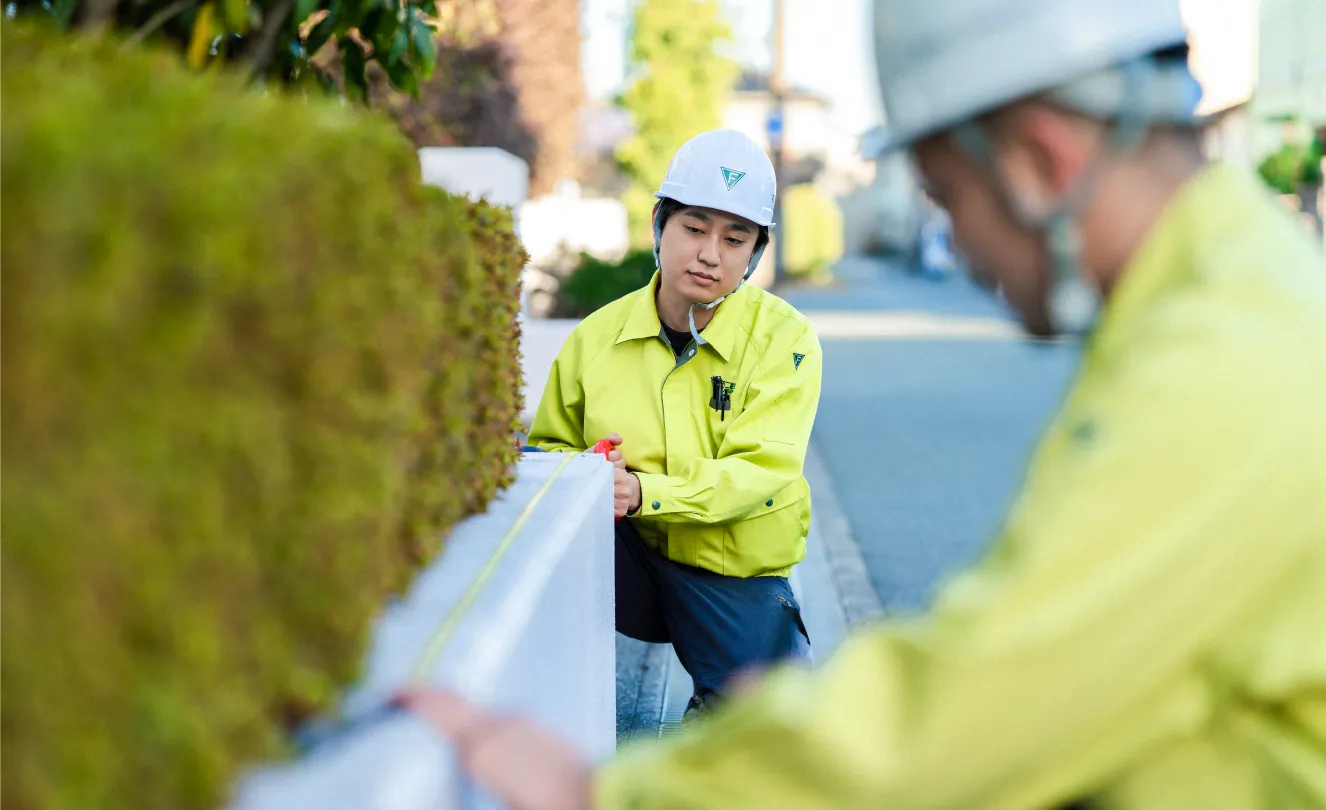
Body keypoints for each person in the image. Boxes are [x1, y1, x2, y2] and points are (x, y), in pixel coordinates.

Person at [396, 0, 1326, 806]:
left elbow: (982, 706)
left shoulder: (1224, 363)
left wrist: (611, 793)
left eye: (948, 199)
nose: (961, 251)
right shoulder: (1225, 304)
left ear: (1041, 164)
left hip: (735, 574)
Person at [523, 129, 822, 719]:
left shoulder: (786, 341)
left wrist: (643, 492)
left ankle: (718, 709)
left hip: (730, 570)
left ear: (755, 253)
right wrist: (585, 473)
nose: (710, 253)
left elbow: (760, 468)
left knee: (777, 727)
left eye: (734, 238)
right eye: (693, 228)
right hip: (629, 556)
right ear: (660, 222)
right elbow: (549, 451)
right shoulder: (594, 339)